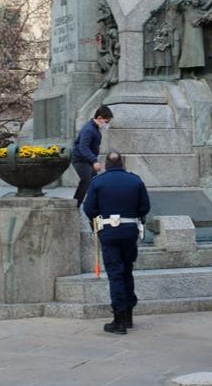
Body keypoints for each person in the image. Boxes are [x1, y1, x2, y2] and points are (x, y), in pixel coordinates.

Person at [83, 151, 150, 335]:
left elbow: (89, 208)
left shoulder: (98, 181)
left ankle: (119, 319)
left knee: (115, 274)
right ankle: (128, 315)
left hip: (109, 232)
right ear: (122, 163)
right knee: (127, 271)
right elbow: (145, 207)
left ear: (106, 164)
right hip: (129, 231)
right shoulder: (135, 180)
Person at [72, 105, 112, 207]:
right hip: (80, 160)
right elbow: (83, 147)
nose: (107, 124)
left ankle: (94, 205)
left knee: (95, 182)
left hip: (86, 160)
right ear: (99, 118)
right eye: (106, 121)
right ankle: (75, 204)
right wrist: (94, 161)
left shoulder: (94, 128)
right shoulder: (89, 130)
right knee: (86, 181)